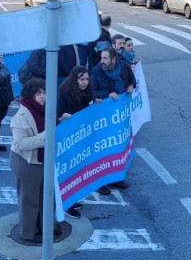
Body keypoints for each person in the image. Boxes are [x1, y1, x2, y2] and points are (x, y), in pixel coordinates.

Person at [10, 78, 70, 244]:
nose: (43, 96)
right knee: (29, 199)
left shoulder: (42, 109)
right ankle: (28, 233)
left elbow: (48, 124)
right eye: (38, 93)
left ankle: (46, 227)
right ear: (30, 95)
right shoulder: (20, 116)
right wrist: (45, 137)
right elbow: (20, 144)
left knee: (46, 196)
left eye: (44, 92)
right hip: (26, 162)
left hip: (42, 159)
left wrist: (60, 120)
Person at [90, 47, 135, 192]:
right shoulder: (97, 71)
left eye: (105, 58)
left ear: (114, 59)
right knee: (103, 148)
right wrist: (108, 94)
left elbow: (132, 80)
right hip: (103, 117)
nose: (102, 61)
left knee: (118, 146)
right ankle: (100, 182)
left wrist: (131, 86)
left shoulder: (124, 67)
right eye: (101, 58)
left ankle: (116, 177)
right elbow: (92, 91)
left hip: (119, 116)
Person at [56, 65, 99, 217]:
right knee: (71, 170)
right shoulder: (65, 92)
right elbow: (58, 116)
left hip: (82, 136)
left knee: (80, 168)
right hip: (70, 138)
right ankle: (67, 203)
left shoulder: (87, 92)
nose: (85, 82)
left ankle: (73, 198)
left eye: (87, 79)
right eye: (82, 79)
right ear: (75, 79)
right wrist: (64, 117)